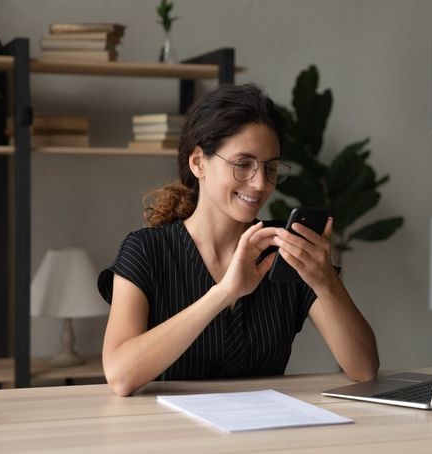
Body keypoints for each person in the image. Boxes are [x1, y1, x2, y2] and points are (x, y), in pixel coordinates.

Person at [98, 83, 379, 397]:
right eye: (243, 164)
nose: (260, 184)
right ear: (198, 162)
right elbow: (121, 375)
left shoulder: (284, 248)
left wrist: (326, 281)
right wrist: (225, 292)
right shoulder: (145, 251)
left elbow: (364, 368)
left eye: (270, 168)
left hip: (265, 435)